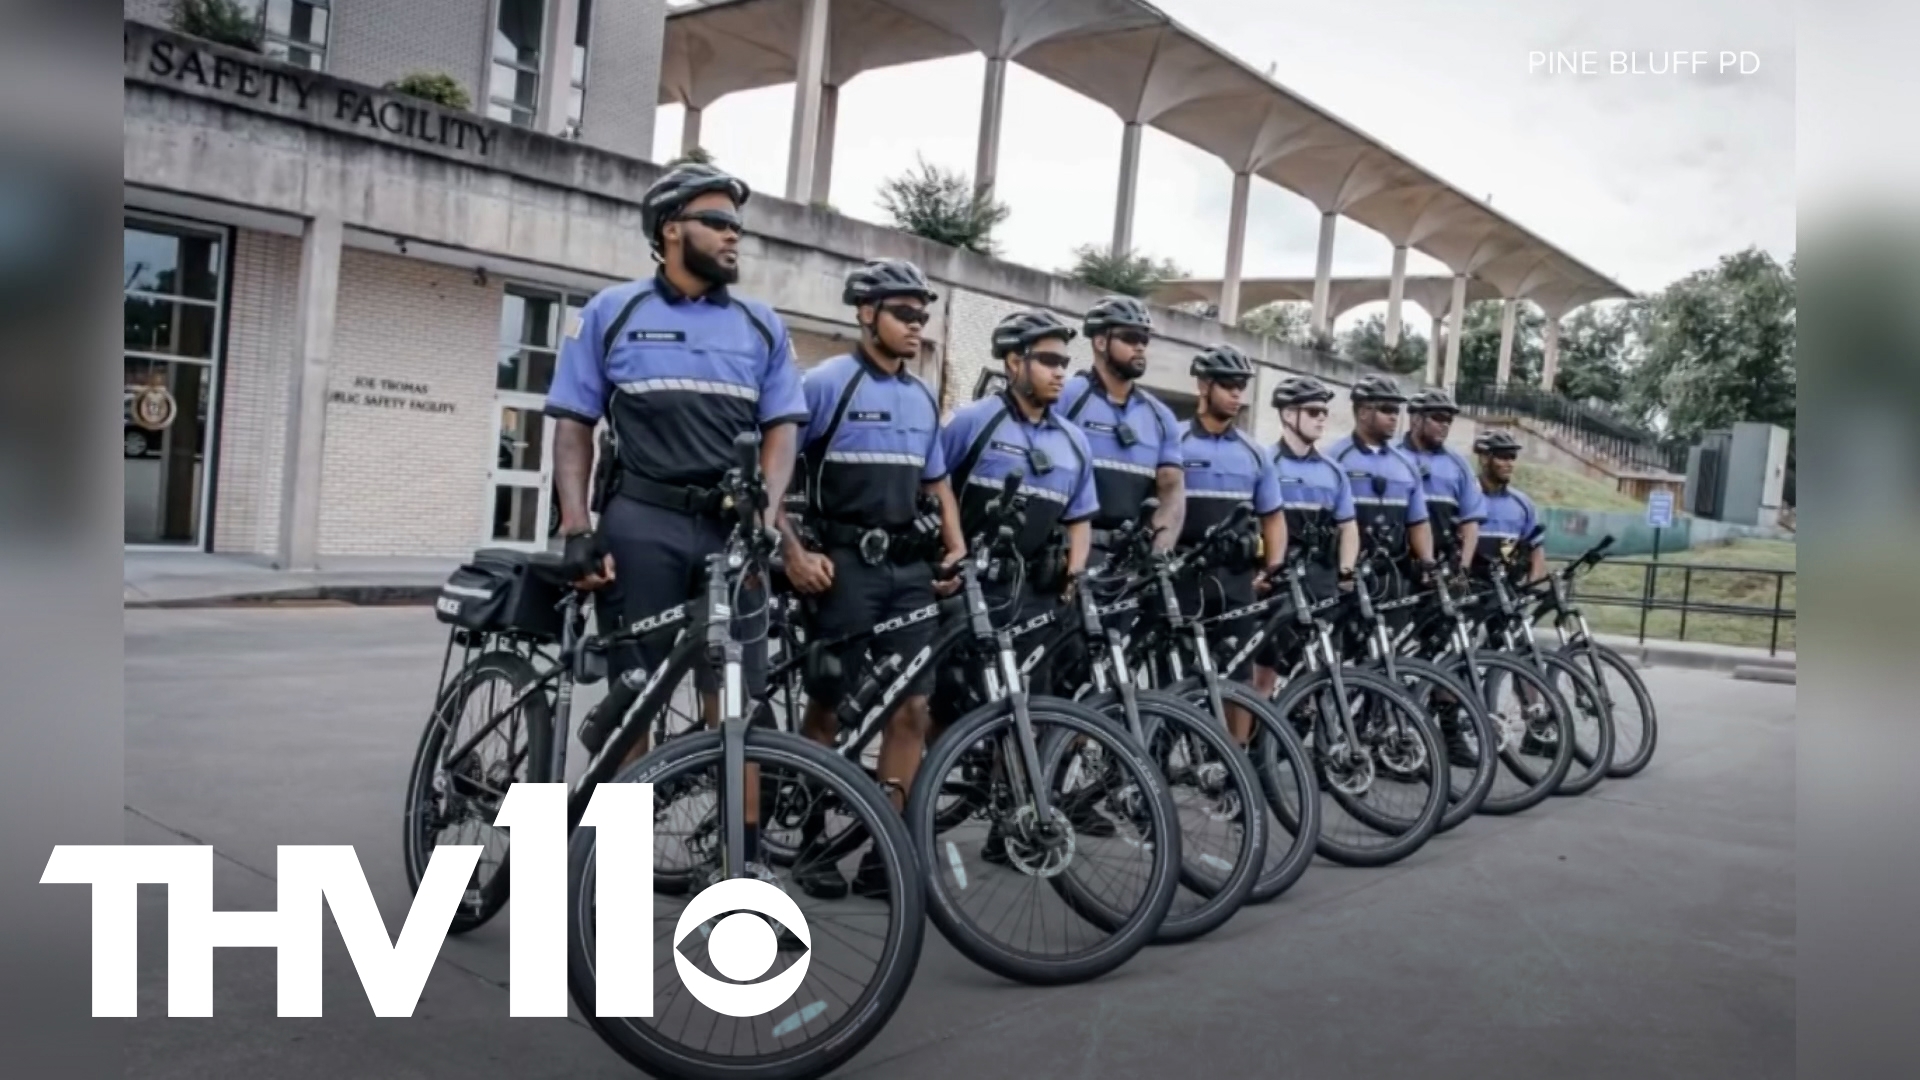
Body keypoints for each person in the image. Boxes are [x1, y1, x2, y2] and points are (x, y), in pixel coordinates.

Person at [545, 161, 805, 873]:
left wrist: (768, 513)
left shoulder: (762, 324)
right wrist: (576, 526)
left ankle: (744, 870)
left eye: (737, 227)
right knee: (637, 699)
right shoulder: (611, 311)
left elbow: (784, 426)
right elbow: (574, 424)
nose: (733, 237)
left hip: (732, 534)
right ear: (670, 230)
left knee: (738, 703)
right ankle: (617, 870)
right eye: (718, 223)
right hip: (642, 521)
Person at [782, 259, 966, 898]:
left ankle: (881, 851)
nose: (917, 326)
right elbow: (774, 468)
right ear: (867, 314)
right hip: (844, 567)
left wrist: (955, 550)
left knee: (912, 708)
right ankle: (810, 844)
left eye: (924, 316)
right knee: (829, 706)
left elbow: (937, 483)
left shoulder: (920, 396)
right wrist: (792, 548)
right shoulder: (828, 382)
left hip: (909, 571)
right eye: (904, 314)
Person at [940, 310, 1100, 638]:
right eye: (1048, 361)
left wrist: (1074, 575)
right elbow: (929, 490)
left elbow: (1079, 519)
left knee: (1029, 689)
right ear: (1014, 362)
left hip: (1036, 597)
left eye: (1063, 364)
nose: (1059, 373)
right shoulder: (968, 421)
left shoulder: (1076, 441)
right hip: (967, 590)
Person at [1175, 344, 1285, 744]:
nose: (1238, 393)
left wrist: (1272, 568)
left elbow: (1273, 516)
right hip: (1185, 573)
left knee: (1239, 674)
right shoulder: (1175, 440)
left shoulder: (1254, 452)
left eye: (1242, 386)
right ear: (1204, 385)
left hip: (1238, 577)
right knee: (1182, 673)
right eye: (1229, 385)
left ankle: (1234, 762)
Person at [1057, 296, 1185, 557]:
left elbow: (1171, 489)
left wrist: (1159, 552)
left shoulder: (1161, 416)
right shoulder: (1065, 397)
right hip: (1068, 547)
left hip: (1131, 555)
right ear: (1100, 342)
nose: (1139, 347)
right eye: (1129, 338)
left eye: (1144, 340)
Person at [1324, 374, 1434, 584]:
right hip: (1346, 577)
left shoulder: (1407, 465)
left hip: (1394, 575)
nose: (1394, 417)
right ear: (1363, 412)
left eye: (1396, 411)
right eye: (1386, 409)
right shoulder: (1334, 459)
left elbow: (1418, 522)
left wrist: (1428, 562)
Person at [1268, 375, 1359, 601]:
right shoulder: (1265, 463)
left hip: (1323, 579)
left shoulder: (1334, 471)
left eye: (1324, 412)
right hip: (1277, 580)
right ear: (1288, 414)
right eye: (1312, 412)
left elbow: (1348, 527)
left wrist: (1346, 572)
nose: (1321, 418)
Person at [1399, 388, 1486, 573]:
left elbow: (1470, 522)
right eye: (1438, 418)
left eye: (1449, 420)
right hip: (1397, 565)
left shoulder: (1459, 464)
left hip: (1442, 567)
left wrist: (1463, 568)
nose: (1445, 425)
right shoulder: (1393, 455)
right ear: (1415, 419)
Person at [1472, 429, 1544, 583]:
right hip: (1467, 594)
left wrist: (1530, 587)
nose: (1510, 464)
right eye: (1503, 457)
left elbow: (1536, 550)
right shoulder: (1465, 497)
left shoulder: (1522, 503)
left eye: (1513, 457)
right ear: (1484, 458)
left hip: (1507, 594)